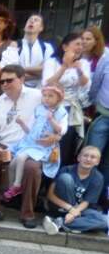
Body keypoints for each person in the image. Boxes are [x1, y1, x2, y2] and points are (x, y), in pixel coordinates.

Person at [0, 65, 60, 228]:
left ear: (22, 79)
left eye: (10, 80)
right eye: (2, 81)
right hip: (4, 145)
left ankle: (27, 213)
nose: (5, 84)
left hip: (31, 147)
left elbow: (56, 113)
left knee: (32, 168)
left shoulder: (38, 97)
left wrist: (55, 136)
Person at [2, 85, 68, 201]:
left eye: (50, 96)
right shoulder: (39, 109)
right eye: (45, 96)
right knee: (12, 164)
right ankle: (11, 188)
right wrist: (22, 123)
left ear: (58, 98)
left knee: (21, 157)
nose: (46, 98)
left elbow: (61, 130)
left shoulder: (61, 112)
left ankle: (17, 186)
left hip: (43, 146)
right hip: (30, 142)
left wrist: (51, 119)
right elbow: (30, 131)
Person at [42, 33, 91, 166]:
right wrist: (64, 66)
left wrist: (79, 70)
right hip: (52, 107)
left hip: (72, 108)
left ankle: (57, 180)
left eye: (82, 44)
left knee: (66, 145)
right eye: (77, 44)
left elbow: (86, 85)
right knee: (48, 141)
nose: (80, 47)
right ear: (65, 47)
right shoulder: (52, 62)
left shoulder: (83, 63)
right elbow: (47, 84)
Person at [43, 146, 107, 234]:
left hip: (80, 211)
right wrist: (70, 209)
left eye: (93, 157)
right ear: (78, 158)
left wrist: (74, 213)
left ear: (97, 162)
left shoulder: (98, 178)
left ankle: (58, 222)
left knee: (104, 221)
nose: (88, 159)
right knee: (66, 178)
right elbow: (50, 195)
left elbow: (86, 202)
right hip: (61, 207)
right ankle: (74, 224)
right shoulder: (66, 169)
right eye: (85, 156)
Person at [86, 53, 109, 205]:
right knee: (90, 157)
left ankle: (100, 200)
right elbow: (95, 84)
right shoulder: (106, 58)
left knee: (108, 163)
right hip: (103, 114)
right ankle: (85, 198)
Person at [18, 14, 54, 89]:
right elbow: (12, 71)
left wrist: (22, 69)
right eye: (30, 19)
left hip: (39, 90)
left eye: (36, 20)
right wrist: (38, 74)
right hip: (18, 89)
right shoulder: (15, 45)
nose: (32, 21)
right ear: (24, 27)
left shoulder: (47, 47)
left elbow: (49, 69)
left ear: (41, 28)